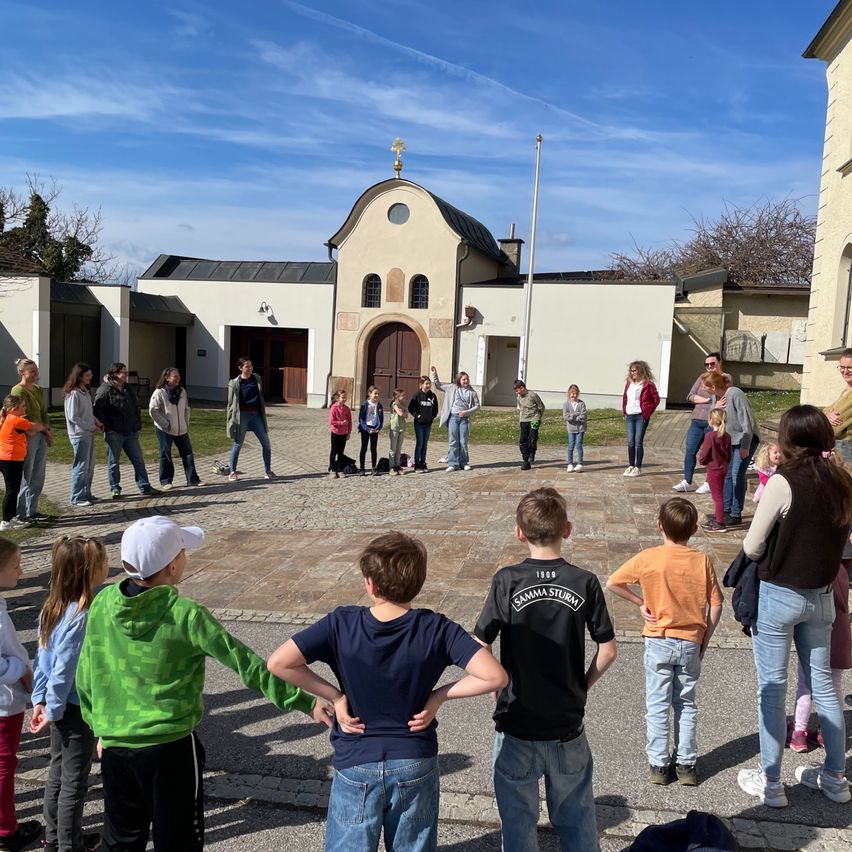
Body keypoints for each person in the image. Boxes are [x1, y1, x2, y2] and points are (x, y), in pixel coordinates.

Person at [76, 516, 328, 851]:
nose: (185, 558)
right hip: (170, 750)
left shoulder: (104, 602)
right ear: (171, 566)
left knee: (121, 840)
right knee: (179, 840)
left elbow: (86, 673)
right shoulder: (187, 615)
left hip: (116, 747)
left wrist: (100, 727)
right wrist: (306, 701)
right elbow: (247, 664)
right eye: (182, 552)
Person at [267, 531, 507, 852]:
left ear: (371, 584)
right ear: (418, 583)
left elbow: (279, 662)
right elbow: (495, 676)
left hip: (355, 758)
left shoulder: (341, 623)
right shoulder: (436, 628)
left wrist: (336, 696)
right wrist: (439, 696)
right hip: (414, 757)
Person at [474, 487, 617, 852]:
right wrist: (582, 684)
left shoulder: (507, 580)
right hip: (567, 723)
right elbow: (608, 650)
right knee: (577, 818)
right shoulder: (584, 581)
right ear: (566, 529)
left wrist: (494, 679)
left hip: (517, 721)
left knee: (518, 823)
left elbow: (480, 642)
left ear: (519, 532)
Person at [737, 405, 852, 808]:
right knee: (824, 688)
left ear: (789, 440)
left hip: (780, 594)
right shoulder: (842, 481)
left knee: (772, 688)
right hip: (821, 596)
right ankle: (836, 777)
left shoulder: (784, 483)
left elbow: (752, 545)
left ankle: (771, 784)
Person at [607, 498, 723, 785]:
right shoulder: (702, 560)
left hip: (658, 639)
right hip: (690, 641)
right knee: (685, 703)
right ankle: (686, 764)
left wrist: (640, 602)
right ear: (694, 530)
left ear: (659, 525)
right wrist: (705, 637)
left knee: (657, 703)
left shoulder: (649, 557)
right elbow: (717, 604)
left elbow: (613, 582)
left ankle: (659, 765)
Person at [30, 536, 110, 852]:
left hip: (57, 706)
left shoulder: (52, 607)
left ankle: (54, 838)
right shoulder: (83, 615)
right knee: (74, 783)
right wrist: (53, 709)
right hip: (73, 709)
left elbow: (42, 659)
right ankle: (69, 845)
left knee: (57, 775)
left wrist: (40, 700)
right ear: (90, 571)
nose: (108, 566)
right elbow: (63, 669)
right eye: (104, 561)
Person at [0, 539, 41, 852]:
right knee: (4, 763)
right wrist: (20, 669)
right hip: (4, 702)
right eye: (15, 566)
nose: (22, 571)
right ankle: (6, 830)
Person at [789, 562, 851, 753]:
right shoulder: (841, 571)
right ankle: (827, 732)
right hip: (841, 636)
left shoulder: (818, 572)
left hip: (817, 639)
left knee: (805, 686)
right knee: (835, 687)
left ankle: (799, 732)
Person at [700, 372, 760, 527]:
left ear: (713, 387)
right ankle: (725, 510)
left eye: (705, 386)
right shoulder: (716, 397)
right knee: (727, 475)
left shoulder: (735, 394)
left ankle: (735, 513)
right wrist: (715, 406)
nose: (703, 389)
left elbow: (747, 421)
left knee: (736, 474)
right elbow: (713, 417)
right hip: (729, 440)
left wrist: (745, 446)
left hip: (744, 439)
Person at [93, 363, 159, 500]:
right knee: (113, 462)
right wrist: (108, 427)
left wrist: (137, 423)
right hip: (114, 433)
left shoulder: (128, 388)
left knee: (138, 460)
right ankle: (115, 488)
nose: (126, 374)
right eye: (123, 372)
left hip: (131, 432)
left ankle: (145, 486)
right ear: (115, 374)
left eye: (126, 372)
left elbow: (136, 406)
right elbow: (98, 411)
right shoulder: (105, 390)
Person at [673, 352, 730, 493]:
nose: (709, 367)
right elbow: (690, 396)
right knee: (690, 450)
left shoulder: (725, 378)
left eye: (712, 363)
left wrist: (705, 400)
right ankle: (687, 481)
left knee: (711, 453)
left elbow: (724, 396)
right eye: (707, 364)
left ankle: (709, 482)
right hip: (697, 420)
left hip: (713, 422)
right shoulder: (702, 378)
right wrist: (707, 400)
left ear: (719, 363)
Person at [10, 357, 53, 521]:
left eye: (36, 371)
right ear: (22, 372)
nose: (36, 374)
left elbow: (43, 412)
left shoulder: (38, 389)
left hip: (40, 434)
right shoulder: (18, 390)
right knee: (26, 475)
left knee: (38, 475)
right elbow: (23, 416)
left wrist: (47, 431)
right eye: (32, 371)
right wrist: (38, 428)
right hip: (28, 436)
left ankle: (32, 510)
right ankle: (20, 513)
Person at [148, 368, 201, 490]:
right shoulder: (159, 392)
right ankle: (166, 481)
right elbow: (153, 410)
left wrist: (185, 423)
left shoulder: (182, 391)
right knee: (165, 454)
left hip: (181, 429)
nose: (178, 379)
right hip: (165, 429)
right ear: (167, 378)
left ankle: (192, 479)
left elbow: (186, 409)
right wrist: (165, 424)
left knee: (188, 453)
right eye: (175, 376)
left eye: (178, 376)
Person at [0, 395, 47, 531]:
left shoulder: (11, 419)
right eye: (23, 406)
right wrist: (43, 427)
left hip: (9, 459)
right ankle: (5, 522)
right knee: (11, 491)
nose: (25, 408)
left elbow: (30, 433)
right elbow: (37, 427)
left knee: (13, 490)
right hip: (10, 460)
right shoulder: (15, 420)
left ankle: (11, 517)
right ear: (14, 409)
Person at [225, 357, 274, 483]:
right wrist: (231, 420)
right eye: (247, 366)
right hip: (242, 415)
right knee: (238, 443)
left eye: (251, 366)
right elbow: (231, 404)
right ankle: (232, 472)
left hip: (256, 415)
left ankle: (268, 470)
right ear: (241, 368)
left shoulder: (257, 378)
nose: (250, 368)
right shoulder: (234, 383)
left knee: (266, 443)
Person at [63, 362, 101, 508]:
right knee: (81, 466)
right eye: (87, 375)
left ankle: (86, 493)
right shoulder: (73, 394)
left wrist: (97, 423)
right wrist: (90, 426)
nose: (90, 377)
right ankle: (76, 497)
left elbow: (89, 413)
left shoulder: (85, 391)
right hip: (79, 435)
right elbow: (73, 416)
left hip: (88, 433)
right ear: (79, 376)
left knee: (89, 466)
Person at [431, 367, 480, 473]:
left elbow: (477, 406)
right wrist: (435, 375)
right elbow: (439, 386)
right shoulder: (452, 387)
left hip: (464, 419)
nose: (466, 381)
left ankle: (464, 463)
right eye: (464, 379)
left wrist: (466, 412)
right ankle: (453, 463)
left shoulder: (472, 392)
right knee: (453, 441)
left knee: (463, 441)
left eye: (467, 379)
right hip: (453, 417)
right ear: (459, 380)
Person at [621, 360, 660, 477]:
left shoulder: (648, 384)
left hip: (640, 416)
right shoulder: (629, 383)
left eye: (635, 371)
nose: (632, 373)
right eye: (631, 370)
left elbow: (656, 399)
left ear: (641, 371)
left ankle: (638, 467)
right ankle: (631, 465)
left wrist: (647, 412)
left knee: (638, 442)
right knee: (630, 442)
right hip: (630, 415)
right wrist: (625, 410)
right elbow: (625, 397)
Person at [699, 410, 733, 533]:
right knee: (718, 493)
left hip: (714, 469)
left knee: (717, 497)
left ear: (711, 420)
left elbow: (704, 453)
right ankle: (717, 516)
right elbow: (729, 454)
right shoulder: (727, 436)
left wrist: (702, 461)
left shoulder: (710, 436)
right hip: (723, 468)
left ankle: (719, 522)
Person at [824, 347, 852, 464]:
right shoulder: (847, 389)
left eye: (850, 367)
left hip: (847, 449)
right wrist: (827, 414)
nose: (845, 371)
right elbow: (827, 410)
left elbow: (836, 424)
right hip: (841, 447)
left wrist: (826, 415)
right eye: (842, 367)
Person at [408, 376, 438, 473]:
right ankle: (417, 464)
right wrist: (417, 416)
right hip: (419, 424)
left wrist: (431, 417)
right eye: (426, 383)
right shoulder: (417, 395)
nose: (428, 385)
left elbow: (435, 409)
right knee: (420, 443)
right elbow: (411, 408)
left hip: (428, 424)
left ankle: (423, 462)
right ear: (421, 385)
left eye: (429, 384)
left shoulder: (432, 396)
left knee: (425, 444)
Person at [513, 379, 545, 471]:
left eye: (517, 390)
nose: (517, 393)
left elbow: (541, 407)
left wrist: (538, 418)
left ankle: (532, 451)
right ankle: (526, 461)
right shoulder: (519, 397)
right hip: (523, 420)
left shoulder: (533, 395)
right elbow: (521, 408)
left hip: (534, 419)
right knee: (523, 441)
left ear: (522, 388)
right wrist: (521, 420)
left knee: (532, 438)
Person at [357, 386, 383, 475]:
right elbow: (361, 419)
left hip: (374, 428)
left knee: (373, 448)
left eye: (378, 394)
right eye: (375, 393)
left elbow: (381, 418)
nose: (377, 395)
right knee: (364, 448)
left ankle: (373, 467)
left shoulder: (379, 405)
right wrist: (367, 429)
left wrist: (378, 428)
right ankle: (362, 468)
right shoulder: (365, 404)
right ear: (369, 394)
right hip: (365, 429)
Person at [563, 384, 587, 472]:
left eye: (576, 394)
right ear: (569, 394)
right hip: (571, 429)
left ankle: (580, 463)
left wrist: (574, 417)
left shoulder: (581, 403)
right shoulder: (566, 404)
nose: (574, 395)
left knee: (579, 445)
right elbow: (566, 417)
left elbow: (583, 416)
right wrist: (574, 414)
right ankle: (570, 464)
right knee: (570, 446)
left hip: (580, 428)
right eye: (572, 393)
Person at [328, 390, 352, 479]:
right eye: (343, 397)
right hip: (335, 432)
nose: (344, 399)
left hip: (344, 433)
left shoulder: (346, 409)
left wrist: (349, 432)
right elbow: (331, 421)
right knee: (334, 452)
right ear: (338, 398)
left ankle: (339, 469)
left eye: (345, 397)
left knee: (341, 453)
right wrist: (341, 423)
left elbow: (349, 422)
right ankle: (332, 469)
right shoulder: (334, 408)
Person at [388, 388, 408, 476]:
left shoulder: (403, 404)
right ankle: (392, 466)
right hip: (394, 428)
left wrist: (403, 412)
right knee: (393, 448)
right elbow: (400, 414)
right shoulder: (394, 404)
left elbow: (406, 415)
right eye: (402, 395)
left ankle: (397, 465)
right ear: (397, 396)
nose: (404, 397)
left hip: (402, 427)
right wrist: (402, 412)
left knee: (399, 448)